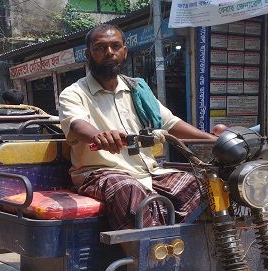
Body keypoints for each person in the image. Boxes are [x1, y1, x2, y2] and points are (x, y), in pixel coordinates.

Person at [58, 24, 227, 230]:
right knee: (128, 190)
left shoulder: (138, 89)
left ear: (124, 51)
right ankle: (145, 258)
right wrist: (99, 136)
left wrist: (214, 139)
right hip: (99, 173)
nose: (109, 52)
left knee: (200, 186)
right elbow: (77, 124)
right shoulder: (74, 93)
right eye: (100, 48)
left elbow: (170, 123)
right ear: (89, 54)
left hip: (147, 173)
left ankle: (185, 248)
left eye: (115, 46)